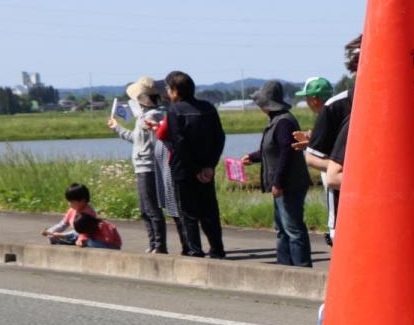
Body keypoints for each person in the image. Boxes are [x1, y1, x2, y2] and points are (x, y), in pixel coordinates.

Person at [294, 37, 359, 244]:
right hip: (342, 202)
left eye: (306, 97)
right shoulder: (336, 108)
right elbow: (314, 159)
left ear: (314, 99)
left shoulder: (334, 110)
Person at [242, 81, 313, 267]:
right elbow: (272, 149)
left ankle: (302, 269)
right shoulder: (278, 120)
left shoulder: (283, 122)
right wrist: (252, 157)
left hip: (289, 184)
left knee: (292, 229)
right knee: (282, 229)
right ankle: (284, 267)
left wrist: (278, 182)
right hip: (285, 183)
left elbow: (286, 152)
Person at [160, 71, 226, 258]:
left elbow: (179, 143)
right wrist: (209, 166)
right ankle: (217, 249)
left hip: (184, 169)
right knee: (209, 211)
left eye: (168, 88)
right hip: (206, 170)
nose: (167, 92)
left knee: (188, 213)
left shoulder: (175, 110)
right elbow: (219, 138)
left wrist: (196, 169)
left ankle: (194, 250)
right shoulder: (208, 108)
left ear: (175, 90)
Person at [108, 76, 167, 253]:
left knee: (151, 209)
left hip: (147, 166)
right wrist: (117, 128)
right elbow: (137, 139)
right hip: (144, 165)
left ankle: (159, 245)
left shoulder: (151, 116)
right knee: (145, 209)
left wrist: (119, 127)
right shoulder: (149, 115)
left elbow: (141, 140)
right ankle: (154, 244)